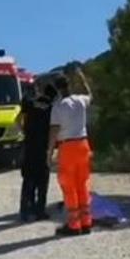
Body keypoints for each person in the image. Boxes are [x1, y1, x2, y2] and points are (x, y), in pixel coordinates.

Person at [48, 66, 94, 236]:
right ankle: (87, 221)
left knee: (69, 186)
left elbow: (54, 131)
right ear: (69, 85)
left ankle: (74, 224)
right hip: (83, 144)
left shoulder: (58, 106)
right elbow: (91, 96)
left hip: (67, 147)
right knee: (83, 183)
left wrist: (49, 151)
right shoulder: (81, 100)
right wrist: (82, 79)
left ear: (56, 88)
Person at [16, 81, 56, 221]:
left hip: (29, 146)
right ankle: (40, 211)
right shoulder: (52, 107)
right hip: (43, 147)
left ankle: (25, 210)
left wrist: (25, 132)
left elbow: (17, 119)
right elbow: (53, 128)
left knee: (28, 180)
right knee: (42, 181)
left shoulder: (30, 103)